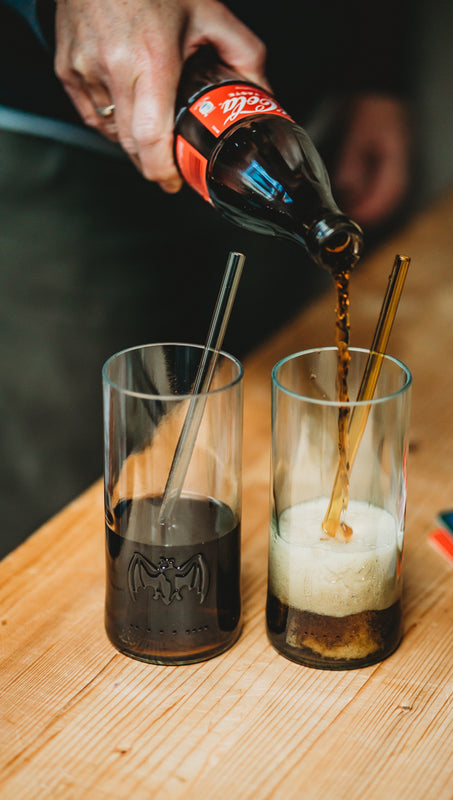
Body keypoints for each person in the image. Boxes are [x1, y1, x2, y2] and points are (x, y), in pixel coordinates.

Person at [0, 0, 414, 555]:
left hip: (270, 126)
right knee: (70, 476)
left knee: (241, 427)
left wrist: (376, 74)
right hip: (62, 137)